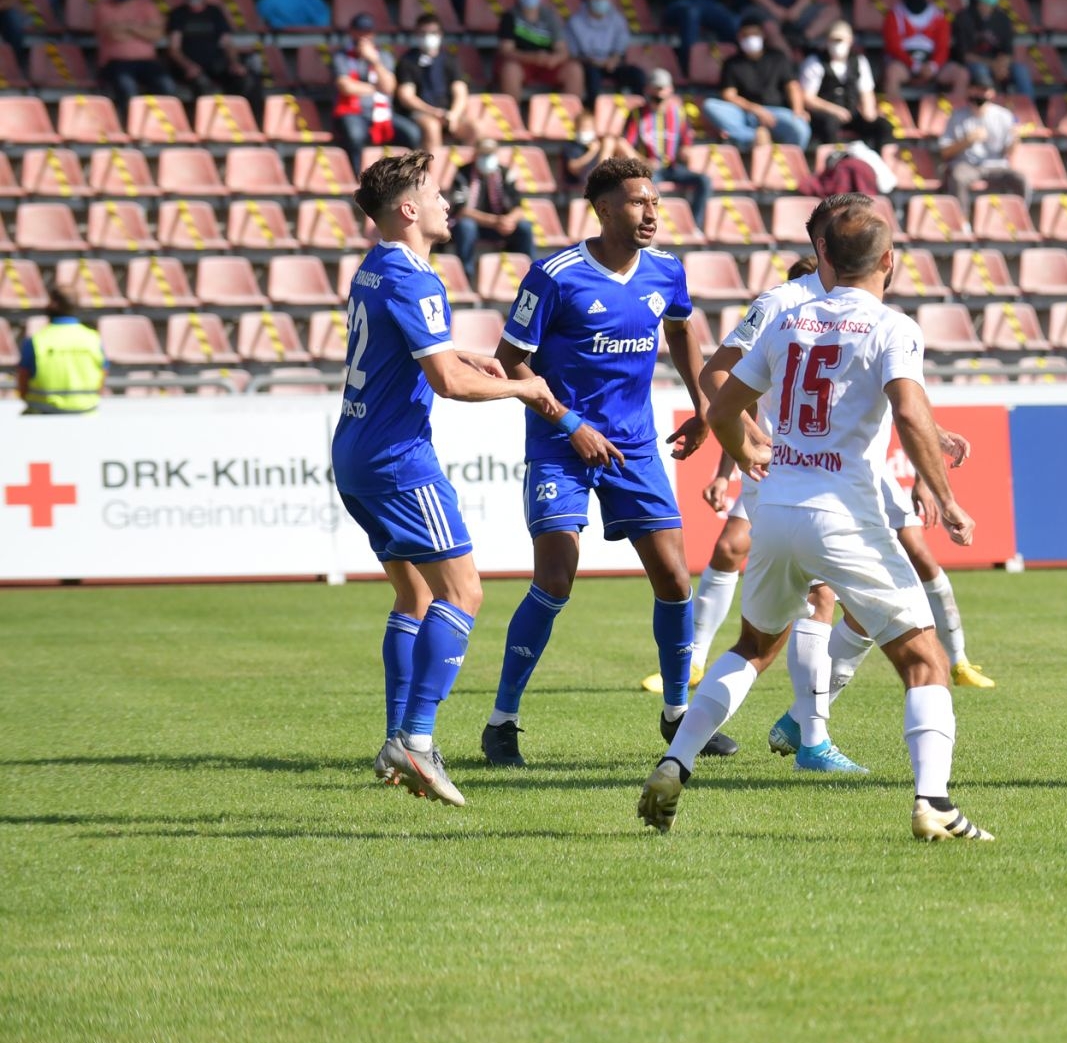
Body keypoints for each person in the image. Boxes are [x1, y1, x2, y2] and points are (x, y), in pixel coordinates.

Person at [639, 201, 995, 842]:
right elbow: (910, 415)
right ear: (889, 261)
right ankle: (933, 804)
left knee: (751, 649)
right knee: (924, 659)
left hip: (775, 510)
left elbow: (720, 395)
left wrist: (742, 446)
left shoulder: (788, 316)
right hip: (845, 515)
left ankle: (675, 761)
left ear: (828, 255)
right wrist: (944, 496)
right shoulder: (893, 327)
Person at [480, 155, 731, 767]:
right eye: (638, 202)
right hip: (559, 442)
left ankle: (677, 715)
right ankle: (501, 722)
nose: (651, 213)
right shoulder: (555, 274)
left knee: (675, 577)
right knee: (556, 576)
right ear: (603, 209)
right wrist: (569, 424)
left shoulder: (667, 272)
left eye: (654, 202)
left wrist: (702, 403)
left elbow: (679, 330)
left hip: (636, 446)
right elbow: (512, 360)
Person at [333, 150, 559, 806]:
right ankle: (418, 740)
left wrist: (466, 354)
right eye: (435, 193)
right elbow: (444, 383)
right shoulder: (416, 278)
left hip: (354, 451)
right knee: (463, 595)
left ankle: (395, 739)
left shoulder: (376, 267)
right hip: (399, 460)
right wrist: (524, 386)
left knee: (415, 598)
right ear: (408, 209)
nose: (446, 203)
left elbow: (409, 351)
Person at [621, 69, 712, 227]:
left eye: (662, 88)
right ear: (648, 89)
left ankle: (694, 226)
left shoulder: (678, 114)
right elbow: (624, 144)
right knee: (649, 189)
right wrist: (643, 161)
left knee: (704, 180)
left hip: (672, 167)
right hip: (649, 169)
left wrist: (686, 151)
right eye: (656, 88)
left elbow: (686, 142)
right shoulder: (637, 115)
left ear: (670, 90)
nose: (659, 93)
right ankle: (649, 227)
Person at [702, 17, 810, 149]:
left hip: (776, 114)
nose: (750, 38)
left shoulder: (777, 57)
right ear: (739, 37)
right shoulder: (732, 63)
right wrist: (755, 109)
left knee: (801, 129)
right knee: (710, 106)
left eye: (754, 34)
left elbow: (792, 86)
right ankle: (753, 137)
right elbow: (729, 95)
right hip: (744, 113)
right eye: (746, 35)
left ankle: (788, 161)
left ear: (763, 35)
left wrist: (798, 111)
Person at [334, 12, 419, 165]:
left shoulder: (384, 56)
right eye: (360, 31)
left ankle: (407, 177)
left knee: (412, 133)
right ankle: (358, 179)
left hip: (383, 113)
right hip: (354, 112)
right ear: (352, 32)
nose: (364, 36)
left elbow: (389, 87)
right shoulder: (342, 56)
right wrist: (376, 87)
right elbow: (345, 87)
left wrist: (374, 61)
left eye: (367, 32)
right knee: (355, 135)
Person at [166, 0, 259, 107]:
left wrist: (234, 63)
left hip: (216, 64)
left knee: (246, 79)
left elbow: (228, 43)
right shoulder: (177, 15)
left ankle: (246, 120)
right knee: (202, 84)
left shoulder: (214, 12)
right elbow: (174, 49)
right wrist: (188, 66)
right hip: (190, 67)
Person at [800, 20, 895, 149]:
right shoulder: (815, 62)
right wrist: (835, 110)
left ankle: (879, 162)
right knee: (829, 124)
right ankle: (835, 161)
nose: (837, 44)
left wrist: (869, 111)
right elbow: (808, 98)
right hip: (825, 114)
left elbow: (867, 91)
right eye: (833, 40)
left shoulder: (859, 61)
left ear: (850, 41)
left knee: (883, 126)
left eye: (841, 40)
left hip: (852, 112)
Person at [449, 137, 536, 274]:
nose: (486, 158)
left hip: (501, 226)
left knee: (524, 227)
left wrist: (509, 220)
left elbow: (518, 207)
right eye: (483, 154)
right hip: (477, 226)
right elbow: (461, 210)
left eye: (490, 154)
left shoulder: (505, 173)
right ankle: (466, 273)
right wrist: (494, 221)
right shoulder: (463, 173)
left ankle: (530, 274)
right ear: (475, 154)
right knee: (465, 226)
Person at [94, 0, 174, 114]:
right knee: (127, 87)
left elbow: (156, 34)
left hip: (147, 62)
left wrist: (128, 27)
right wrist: (142, 29)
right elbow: (115, 35)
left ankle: (162, 126)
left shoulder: (147, 7)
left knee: (166, 85)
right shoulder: (103, 8)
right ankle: (132, 127)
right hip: (116, 63)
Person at [18, 287, 105, 415]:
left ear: (53, 304)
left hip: (42, 415)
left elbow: (22, 383)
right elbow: (102, 378)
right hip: (86, 414)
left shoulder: (36, 341)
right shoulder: (93, 339)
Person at [882, 0, 967, 106]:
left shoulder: (939, 16)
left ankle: (954, 115)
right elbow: (893, 47)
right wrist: (914, 65)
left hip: (932, 64)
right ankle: (895, 115)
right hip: (905, 64)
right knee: (892, 73)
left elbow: (943, 46)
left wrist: (933, 66)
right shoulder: (894, 15)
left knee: (961, 74)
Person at [939, 74, 1026, 199]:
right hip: (967, 165)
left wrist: (1016, 139)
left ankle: (1019, 215)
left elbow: (1009, 152)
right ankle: (962, 218)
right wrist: (967, 141)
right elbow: (945, 152)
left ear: (992, 93)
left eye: (984, 90)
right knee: (957, 177)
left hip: (996, 165)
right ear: (969, 90)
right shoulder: (956, 116)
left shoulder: (1004, 116)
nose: (980, 94)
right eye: (976, 89)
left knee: (1019, 179)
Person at [395, 13, 470, 154]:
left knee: (473, 128)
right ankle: (435, 171)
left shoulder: (450, 60)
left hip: (448, 114)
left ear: (440, 34)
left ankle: (467, 171)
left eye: (433, 32)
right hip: (421, 113)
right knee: (432, 127)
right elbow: (406, 97)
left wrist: (454, 114)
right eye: (423, 33)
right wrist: (434, 112)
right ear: (416, 34)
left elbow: (460, 91)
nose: (428, 37)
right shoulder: (407, 61)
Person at [497, 0, 585, 99]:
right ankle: (511, 114)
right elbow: (507, 51)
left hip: (547, 65)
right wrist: (533, 57)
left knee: (574, 69)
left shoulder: (551, 16)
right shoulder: (509, 17)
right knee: (510, 70)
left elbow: (562, 49)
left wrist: (555, 58)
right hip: (522, 63)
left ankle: (571, 114)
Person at [951, 0, 1034, 98]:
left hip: (996, 64)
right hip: (973, 64)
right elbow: (965, 55)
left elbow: (1007, 51)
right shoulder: (964, 17)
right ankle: (989, 109)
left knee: (1021, 71)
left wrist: (1002, 65)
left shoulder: (1003, 19)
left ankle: (1029, 110)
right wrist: (993, 65)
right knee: (981, 71)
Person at [567, 0, 645, 101]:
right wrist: (592, 61)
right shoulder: (575, 22)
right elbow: (572, 54)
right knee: (592, 77)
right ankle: (593, 113)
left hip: (612, 63)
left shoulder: (617, 19)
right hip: (589, 65)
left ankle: (637, 112)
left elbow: (621, 46)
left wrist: (614, 59)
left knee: (637, 75)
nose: (600, 2)